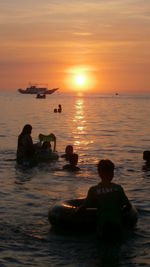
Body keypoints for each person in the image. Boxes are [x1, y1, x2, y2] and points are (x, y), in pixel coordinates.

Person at [77, 159, 131, 239]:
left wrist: (74, 212)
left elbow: (83, 208)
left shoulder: (94, 190)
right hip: (117, 228)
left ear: (99, 173)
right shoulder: (118, 188)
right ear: (112, 174)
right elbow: (128, 206)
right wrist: (118, 213)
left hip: (103, 228)